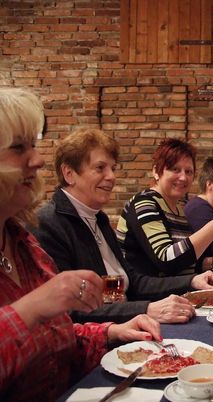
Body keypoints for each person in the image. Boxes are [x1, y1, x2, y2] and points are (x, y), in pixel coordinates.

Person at [0, 87, 161, 402]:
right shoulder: (47, 224)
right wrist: (32, 307)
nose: (37, 159)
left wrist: (111, 332)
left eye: (34, 144)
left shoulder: (23, 243)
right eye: (19, 147)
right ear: (69, 174)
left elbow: (56, 336)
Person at [32, 129, 213, 325]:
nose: (111, 177)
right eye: (100, 168)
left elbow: (126, 284)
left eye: (113, 169)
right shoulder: (49, 223)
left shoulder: (97, 218)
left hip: (126, 321)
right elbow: (69, 311)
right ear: (69, 174)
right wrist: (145, 309)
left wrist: (190, 281)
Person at [117, 139, 213, 276]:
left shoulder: (178, 209)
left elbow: (186, 263)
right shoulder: (144, 203)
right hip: (147, 298)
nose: (183, 177)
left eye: (189, 172)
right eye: (175, 169)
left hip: (173, 292)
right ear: (156, 171)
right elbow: (167, 261)